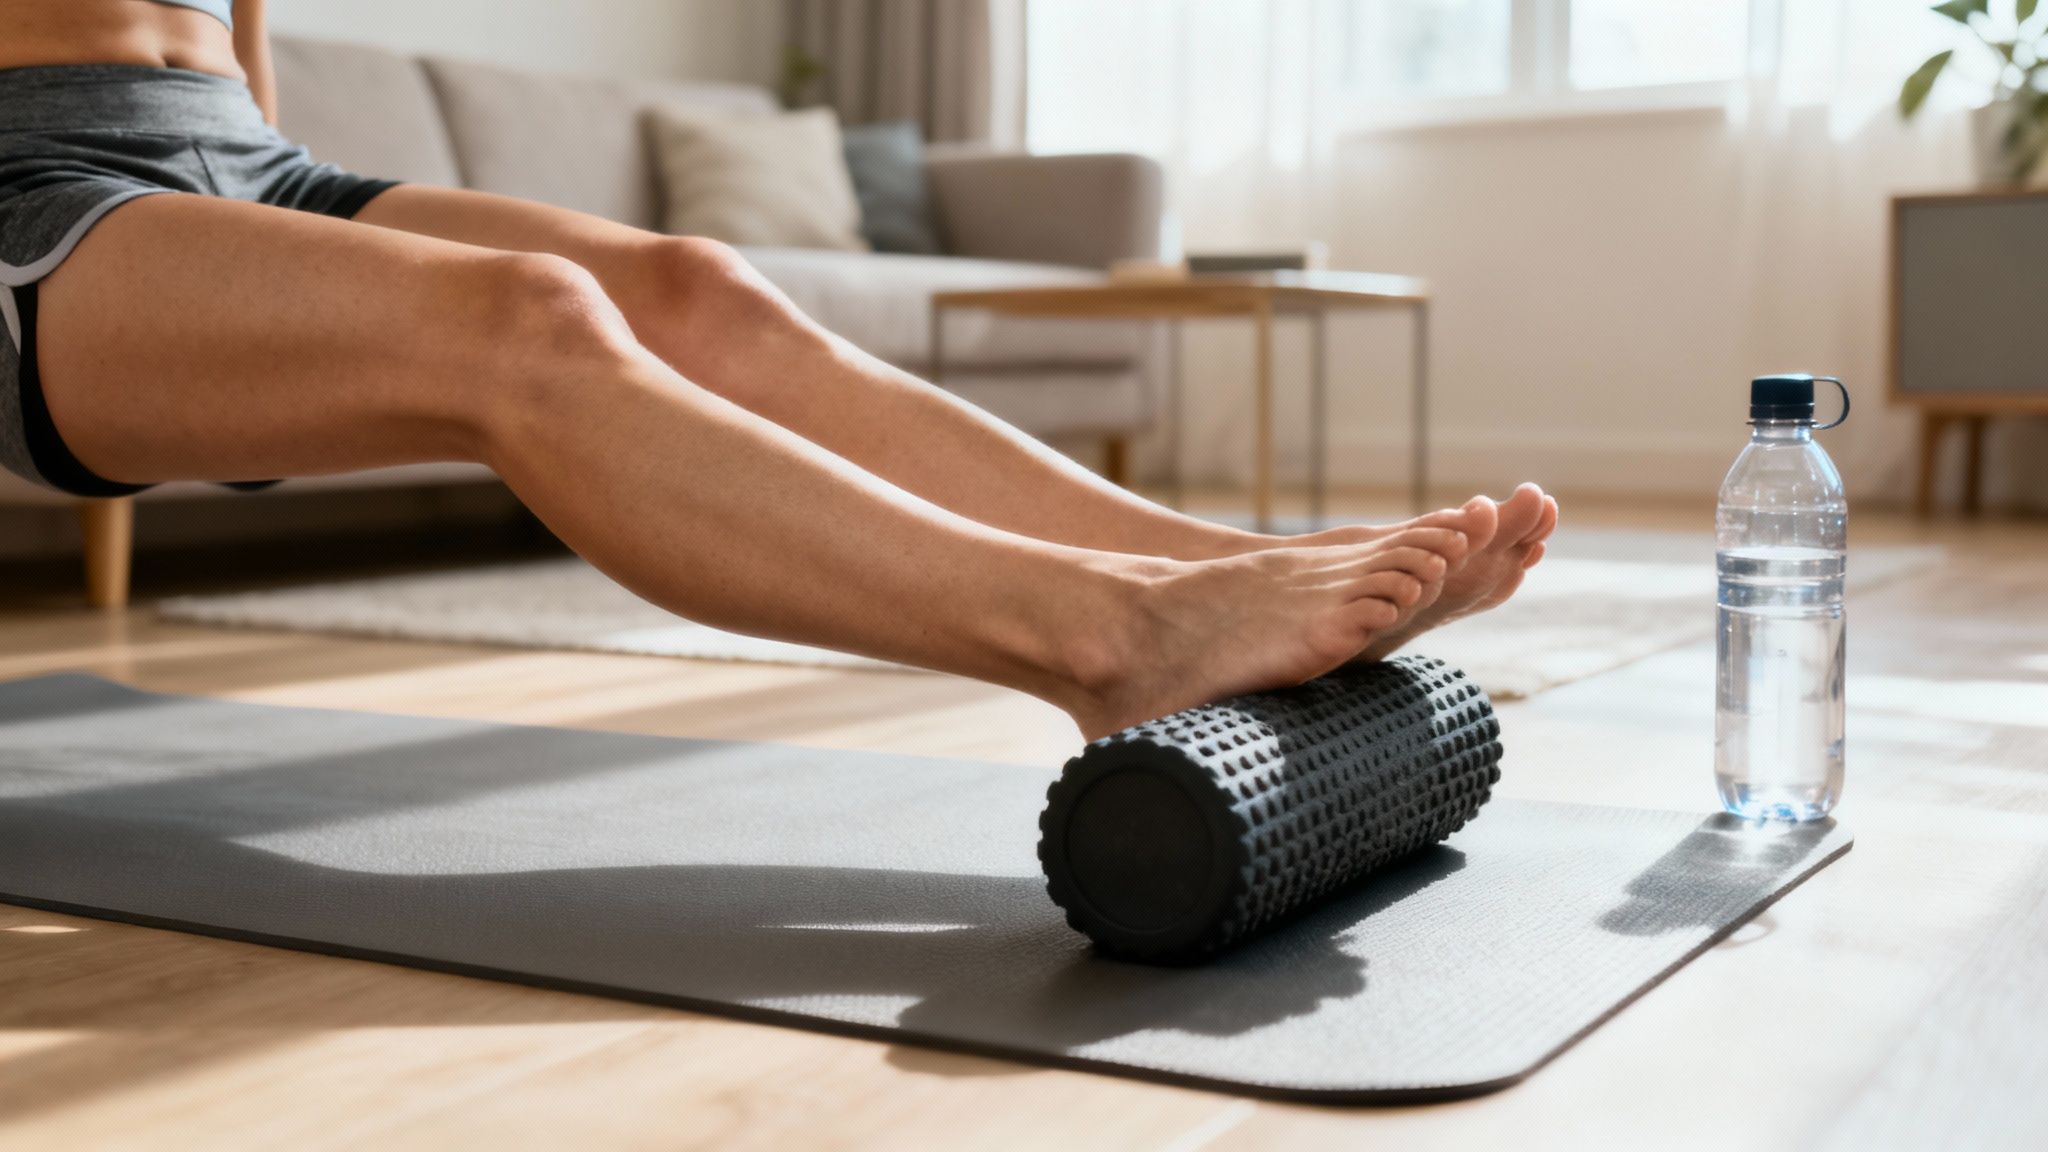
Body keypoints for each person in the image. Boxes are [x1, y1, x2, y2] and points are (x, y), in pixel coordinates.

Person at [0, 0, 1558, 738]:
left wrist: (284, 237)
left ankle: (1219, 562)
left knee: (701, 287)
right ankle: (1113, 637)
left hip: (239, 162)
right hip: (32, 196)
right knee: (529, 319)